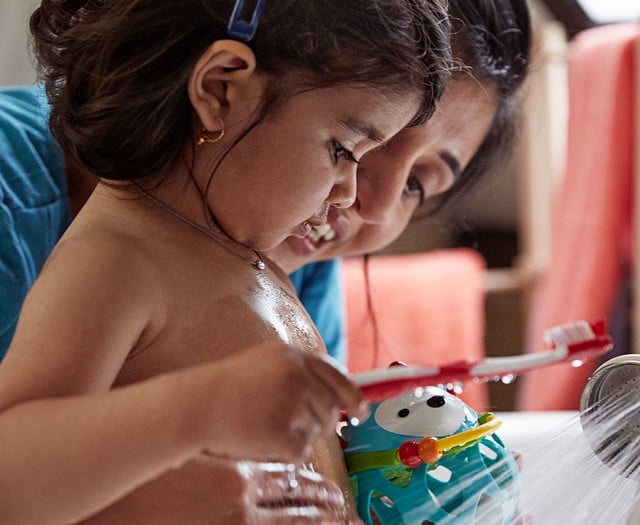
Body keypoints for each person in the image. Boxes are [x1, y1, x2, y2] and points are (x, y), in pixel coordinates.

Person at [0, 0, 453, 523]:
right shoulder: (117, 264)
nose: (349, 193)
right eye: (343, 149)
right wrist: (199, 408)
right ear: (219, 88)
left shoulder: (254, 264)